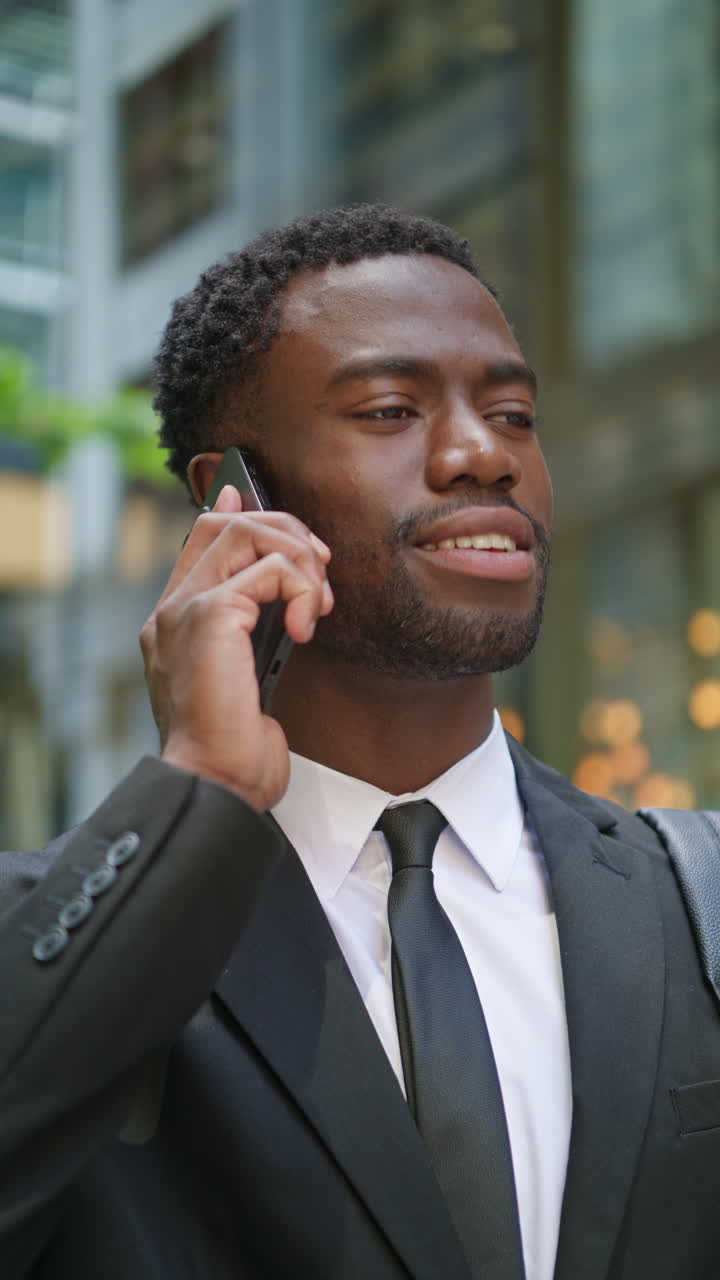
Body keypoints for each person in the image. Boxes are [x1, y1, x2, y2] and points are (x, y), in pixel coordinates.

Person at [1, 204, 720, 1280]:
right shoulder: (77, 929)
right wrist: (198, 784)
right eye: (390, 409)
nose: (484, 453)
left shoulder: (696, 892)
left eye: (515, 412)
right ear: (234, 497)